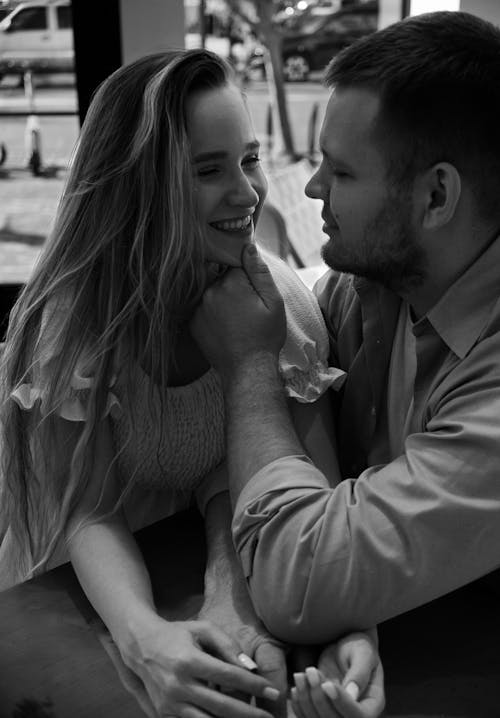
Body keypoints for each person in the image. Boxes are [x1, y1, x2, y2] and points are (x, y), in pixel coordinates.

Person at [0, 49, 383, 718]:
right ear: (136, 187)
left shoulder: (282, 312)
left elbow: (305, 501)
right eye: (208, 170)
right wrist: (145, 639)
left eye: (251, 159)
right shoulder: (71, 325)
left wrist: (329, 623)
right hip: (84, 576)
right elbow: (85, 510)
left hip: (215, 551)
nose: (247, 193)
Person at [190, 5, 500, 699]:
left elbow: (296, 580)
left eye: (342, 171)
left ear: (437, 196)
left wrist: (249, 369)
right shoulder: (376, 284)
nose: (309, 189)